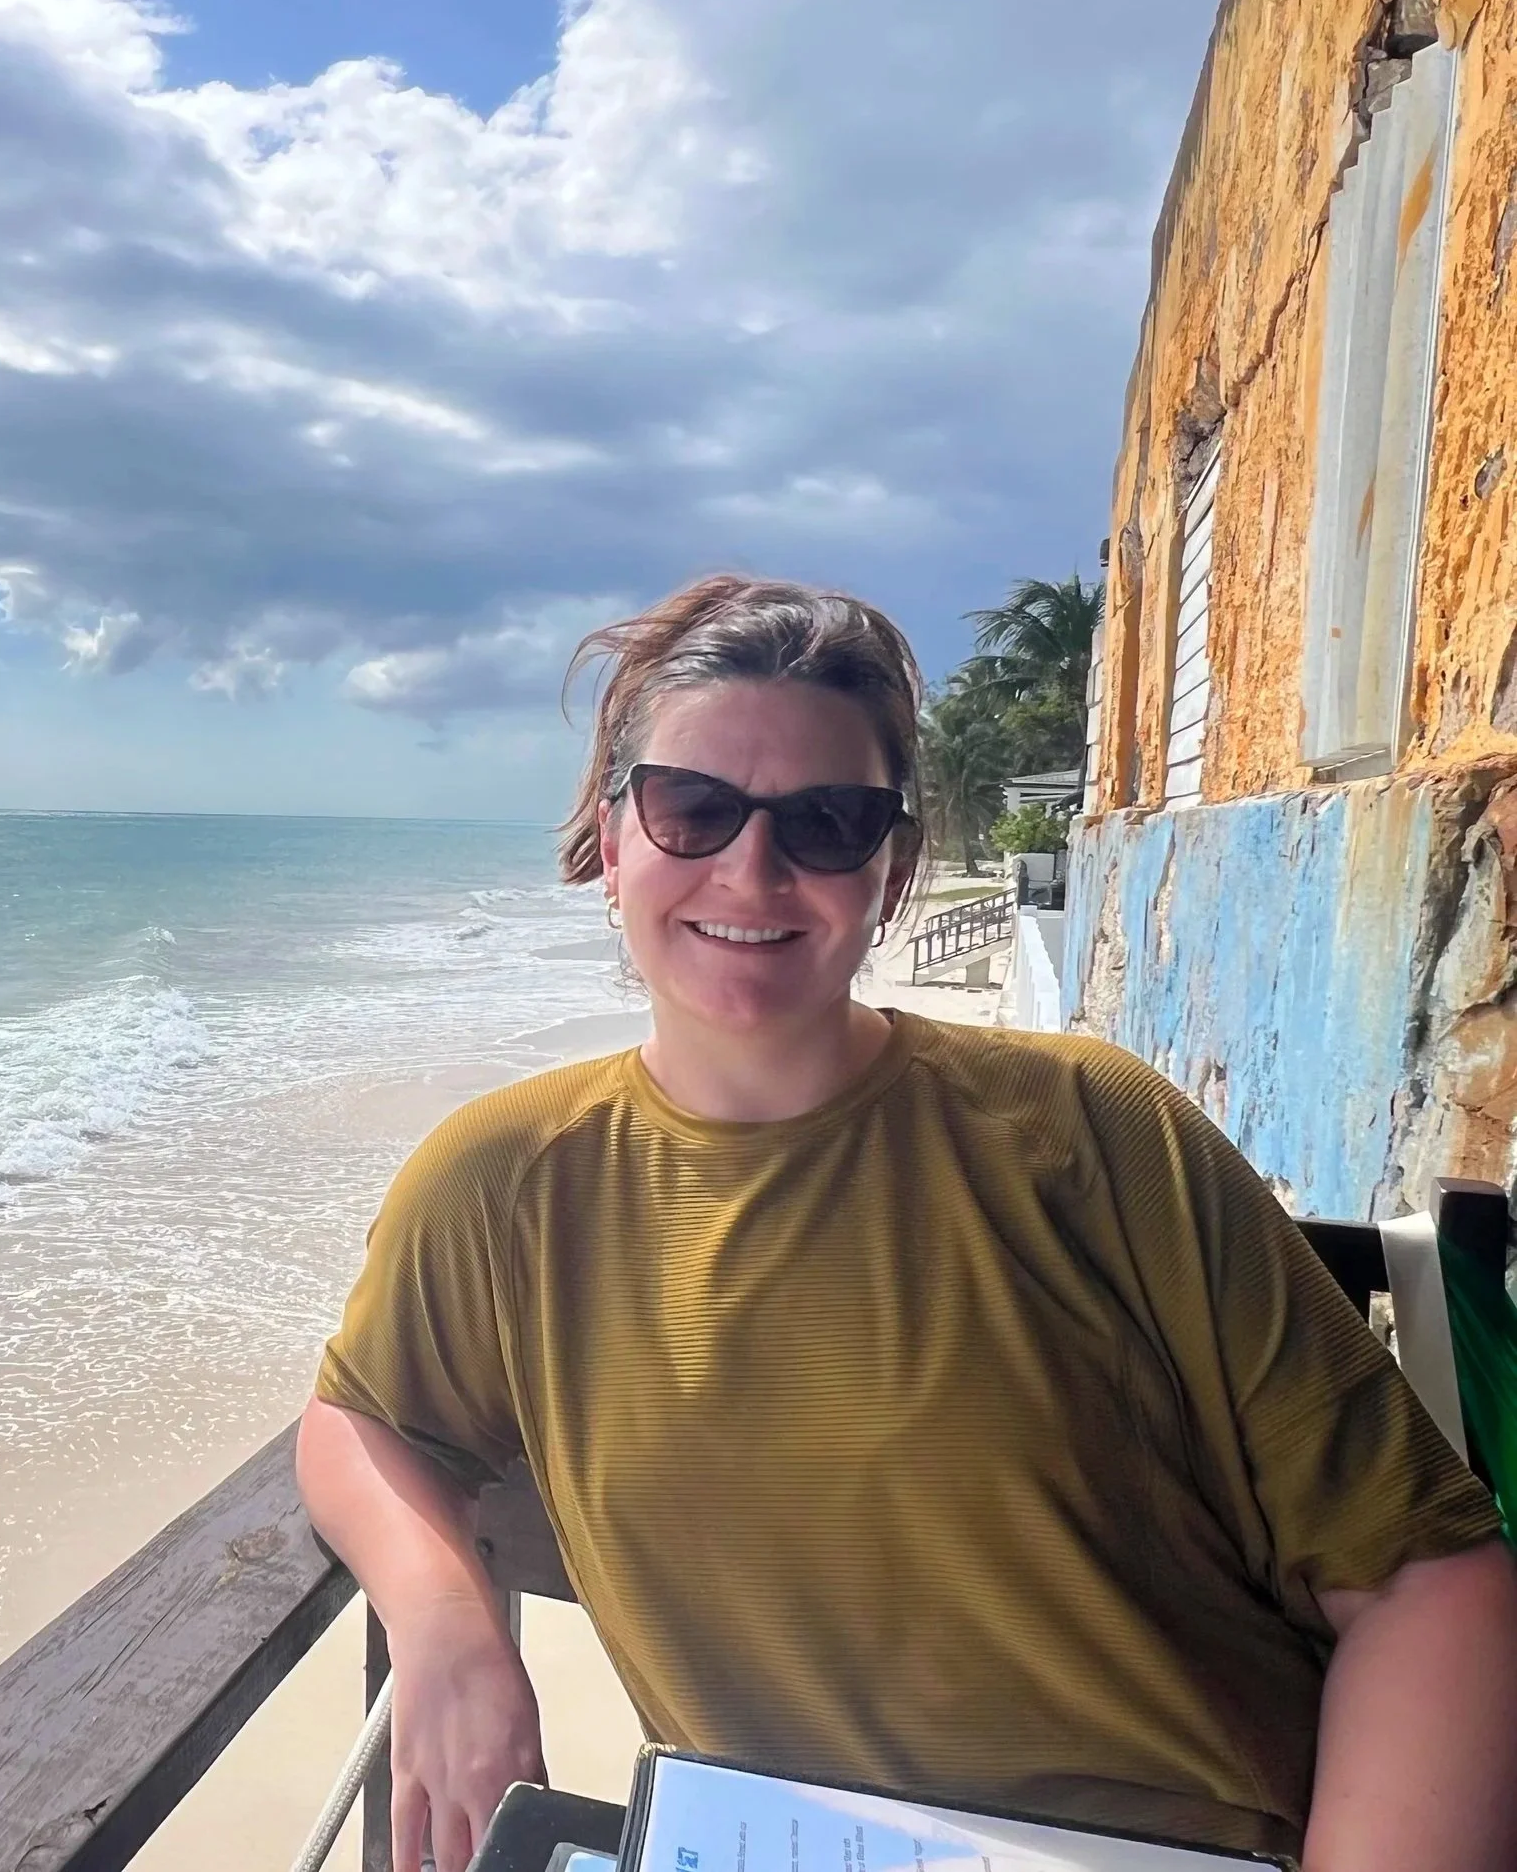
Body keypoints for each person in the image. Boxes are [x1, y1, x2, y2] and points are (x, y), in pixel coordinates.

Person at [296, 576, 1517, 1872]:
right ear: (612, 839)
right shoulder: (507, 1183)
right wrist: (444, 1623)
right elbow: (361, 1416)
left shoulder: (1094, 1136)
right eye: (693, 807)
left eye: (827, 820)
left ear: (894, 870)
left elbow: (1422, 1577)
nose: (751, 869)